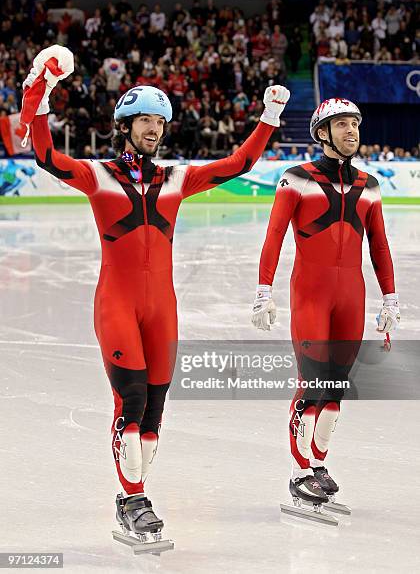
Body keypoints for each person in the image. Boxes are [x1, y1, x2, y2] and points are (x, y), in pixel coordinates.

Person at [22, 45, 290, 539]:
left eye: (160, 122)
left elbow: (239, 163)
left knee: (154, 412)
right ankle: (133, 498)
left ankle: (137, 486)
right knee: (130, 401)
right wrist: (39, 90)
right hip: (117, 306)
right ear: (124, 126)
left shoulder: (176, 179)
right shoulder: (97, 174)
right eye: (143, 120)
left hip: (162, 310)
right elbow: (45, 155)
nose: (153, 129)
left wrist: (270, 117)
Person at [251, 97, 400, 511]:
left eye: (356, 123)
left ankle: (318, 465)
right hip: (311, 296)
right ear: (322, 132)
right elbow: (274, 235)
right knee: (312, 381)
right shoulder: (295, 178)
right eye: (343, 125)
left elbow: (381, 246)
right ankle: (300, 472)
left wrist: (390, 298)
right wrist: (264, 291)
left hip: (352, 297)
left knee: (335, 386)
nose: (352, 131)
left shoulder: (369, 184)